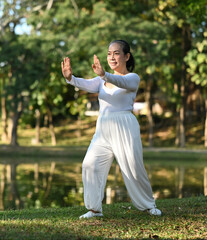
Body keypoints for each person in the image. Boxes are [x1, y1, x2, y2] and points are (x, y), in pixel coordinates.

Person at [61, 40, 162, 219]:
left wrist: (104, 74)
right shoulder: (101, 81)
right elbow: (84, 83)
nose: (112, 57)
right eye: (109, 53)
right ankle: (94, 209)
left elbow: (119, 81)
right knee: (90, 164)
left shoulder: (133, 78)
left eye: (116, 53)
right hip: (103, 128)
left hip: (125, 126)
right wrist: (70, 78)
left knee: (133, 167)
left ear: (126, 56)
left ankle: (149, 205)